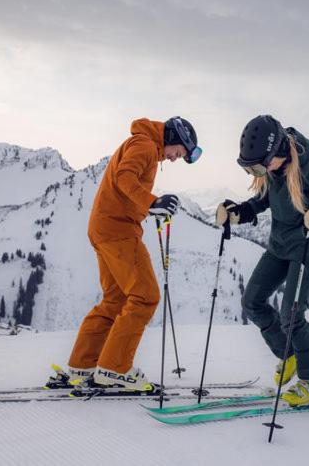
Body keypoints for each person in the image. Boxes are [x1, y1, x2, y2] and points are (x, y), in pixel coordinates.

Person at [52, 116, 201, 392]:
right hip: (118, 231)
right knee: (146, 296)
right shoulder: (144, 145)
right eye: (177, 153)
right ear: (170, 137)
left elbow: (126, 184)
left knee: (115, 299)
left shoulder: (142, 144)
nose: (173, 159)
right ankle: (115, 368)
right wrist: (152, 201)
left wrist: (148, 207)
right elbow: (124, 178)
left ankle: (83, 364)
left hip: (103, 228)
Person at [216, 115, 309, 406]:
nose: (258, 172)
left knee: (291, 314)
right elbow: (264, 199)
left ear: (279, 153)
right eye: (251, 168)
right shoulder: (273, 164)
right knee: (252, 302)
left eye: (260, 166)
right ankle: (288, 355)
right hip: (281, 244)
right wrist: (239, 213)